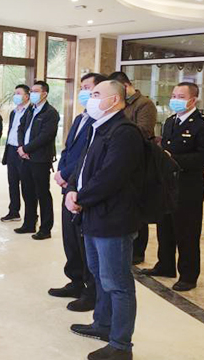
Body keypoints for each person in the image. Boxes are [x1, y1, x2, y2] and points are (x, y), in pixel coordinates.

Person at [66, 79, 144, 360]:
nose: (90, 97)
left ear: (114, 100)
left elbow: (111, 176)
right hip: (93, 214)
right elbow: (83, 165)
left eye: (97, 93)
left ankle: (121, 345)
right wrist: (72, 189)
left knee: (117, 282)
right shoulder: (98, 127)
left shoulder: (125, 132)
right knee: (99, 275)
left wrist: (81, 198)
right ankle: (102, 324)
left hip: (113, 218)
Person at [142, 82, 204, 291]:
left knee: (187, 231)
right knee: (165, 226)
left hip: (188, 185)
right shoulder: (170, 121)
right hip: (166, 183)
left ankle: (188, 275)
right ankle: (165, 265)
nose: (175, 99)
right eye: (174, 95)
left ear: (193, 100)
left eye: (181, 96)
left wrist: (172, 159)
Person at [49, 73, 106, 313]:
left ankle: (90, 291)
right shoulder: (81, 117)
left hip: (84, 189)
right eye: (82, 88)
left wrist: (67, 174)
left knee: (85, 243)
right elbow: (69, 148)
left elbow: (87, 156)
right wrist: (62, 172)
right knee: (70, 238)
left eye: (89, 89)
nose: (84, 93)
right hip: (70, 186)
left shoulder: (100, 122)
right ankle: (74, 280)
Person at [108, 71, 157, 265]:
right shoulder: (122, 104)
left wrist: (118, 133)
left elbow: (144, 130)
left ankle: (138, 251)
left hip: (137, 160)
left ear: (126, 86)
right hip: (119, 158)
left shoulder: (144, 104)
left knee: (136, 207)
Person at [16, 81, 59, 240]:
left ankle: (45, 228)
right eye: (31, 91)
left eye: (35, 91)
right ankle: (29, 223)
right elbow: (21, 128)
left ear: (44, 94)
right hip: (25, 157)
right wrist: (21, 147)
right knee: (27, 191)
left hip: (40, 159)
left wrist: (27, 149)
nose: (32, 94)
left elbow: (45, 136)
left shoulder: (50, 113)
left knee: (42, 193)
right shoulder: (30, 109)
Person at [1, 85, 32, 222]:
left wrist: (24, 148)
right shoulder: (14, 112)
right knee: (12, 183)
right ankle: (14, 211)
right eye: (15, 93)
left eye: (18, 93)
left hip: (23, 151)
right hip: (11, 150)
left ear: (26, 96)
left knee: (26, 185)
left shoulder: (31, 111)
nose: (16, 96)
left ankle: (31, 216)